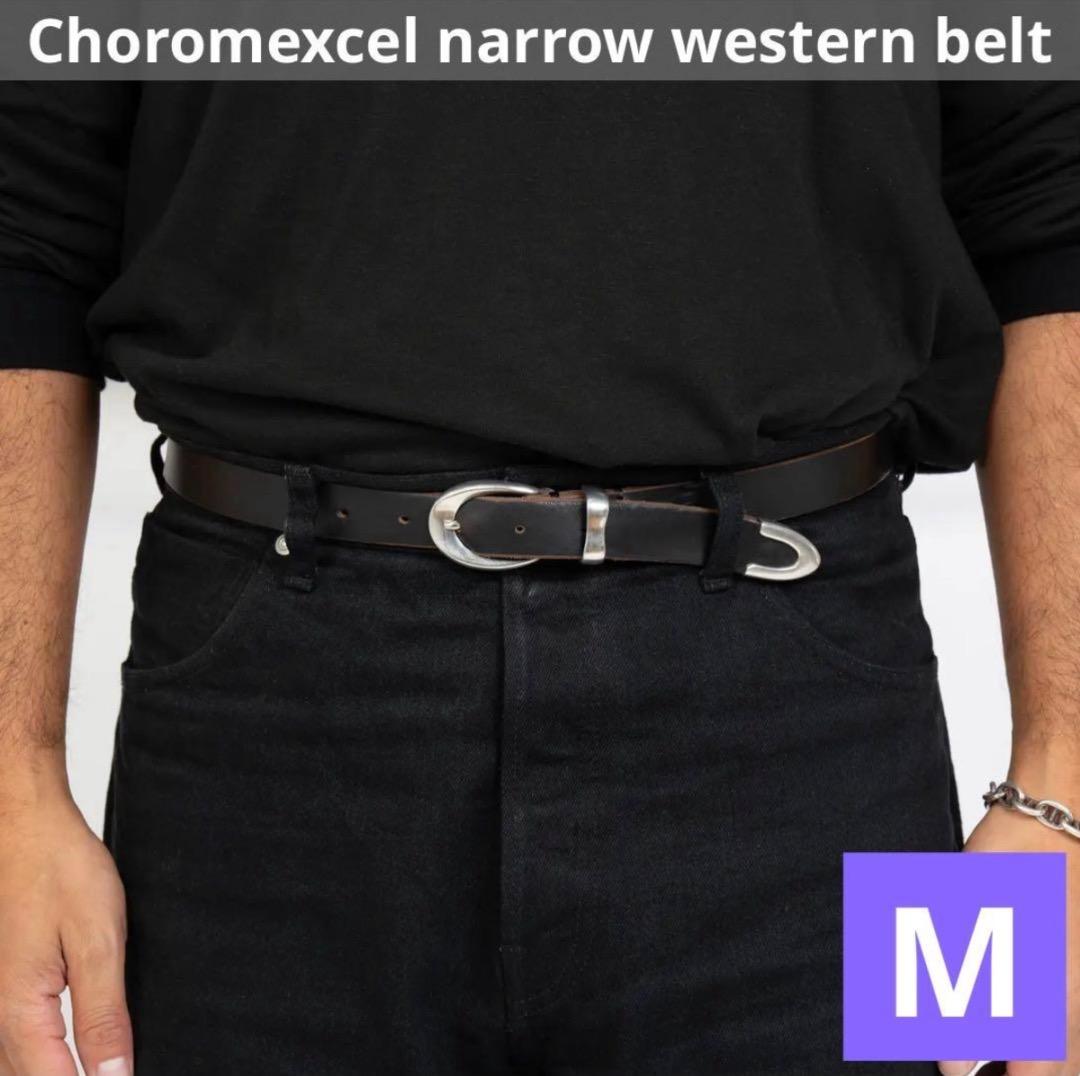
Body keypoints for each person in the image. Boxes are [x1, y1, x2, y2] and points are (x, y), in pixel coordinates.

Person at [0, 81, 1077, 1076]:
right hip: (252, 726)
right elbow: (25, 204)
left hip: (820, 711)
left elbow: (1053, 193)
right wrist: (10, 787)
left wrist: (1065, 795)